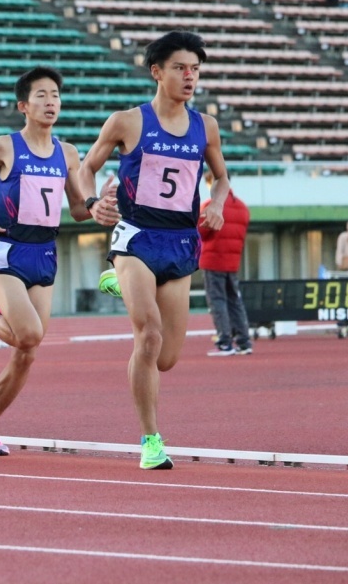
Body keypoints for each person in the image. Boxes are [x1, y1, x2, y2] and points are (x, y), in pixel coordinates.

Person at [78, 30, 230, 470]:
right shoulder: (127, 121)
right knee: (148, 336)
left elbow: (220, 178)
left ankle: (118, 284)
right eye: (181, 68)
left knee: (166, 359)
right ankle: (151, 439)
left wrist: (217, 202)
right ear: (157, 71)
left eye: (196, 69)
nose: (190, 76)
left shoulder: (207, 127)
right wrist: (92, 203)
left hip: (181, 243)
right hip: (136, 235)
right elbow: (87, 169)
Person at [0, 66, 110, 456]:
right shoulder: (4, 146)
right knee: (29, 334)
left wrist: (98, 205)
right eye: (41, 95)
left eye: (55, 95)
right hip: (7, 248)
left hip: (44, 252)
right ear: (23, 105)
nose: (50, 102)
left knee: (28, 351)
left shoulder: (67, 153)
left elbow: (77, 208)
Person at [199, 172, 252, 356]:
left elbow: (200, 233)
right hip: (232, 261)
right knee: (234, 300)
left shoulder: (209, 206)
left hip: (213, 260)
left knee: (217, 301)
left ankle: (225, 342)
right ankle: (244, 341)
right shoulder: (243, 208)